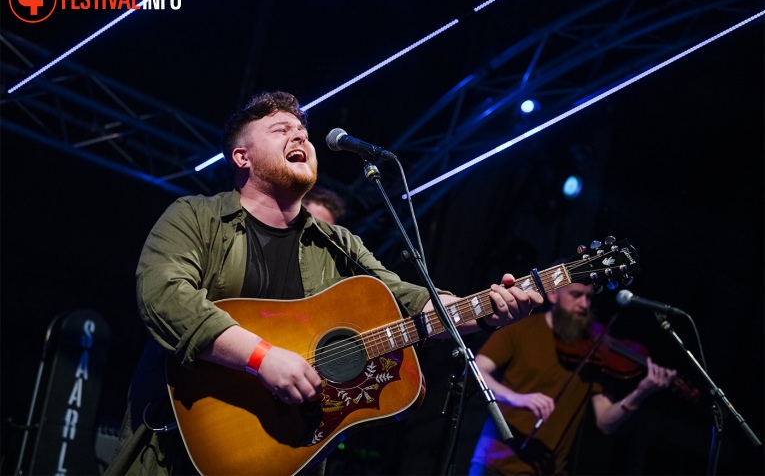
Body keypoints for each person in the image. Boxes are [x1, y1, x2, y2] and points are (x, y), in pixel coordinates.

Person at [105, 90, 544, 475]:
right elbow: (165, 297)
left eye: (302, 131)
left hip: (289, 456)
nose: (299, 137)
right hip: (177, 452)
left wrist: (485, 310)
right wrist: (262, 357)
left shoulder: (339, 244)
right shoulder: (196, 217)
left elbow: (408, 300)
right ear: (242, 157)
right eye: (280, 130)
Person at [468, 280, 678, 475]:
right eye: (576, 295)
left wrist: (641, 392)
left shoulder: (594, 353)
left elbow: (606, 422)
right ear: (552, 295)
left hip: (549, 471)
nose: (584, 304)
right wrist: (516, 398)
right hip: (495, 462)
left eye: (588, 297)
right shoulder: (521, 329)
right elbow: (477, 370)